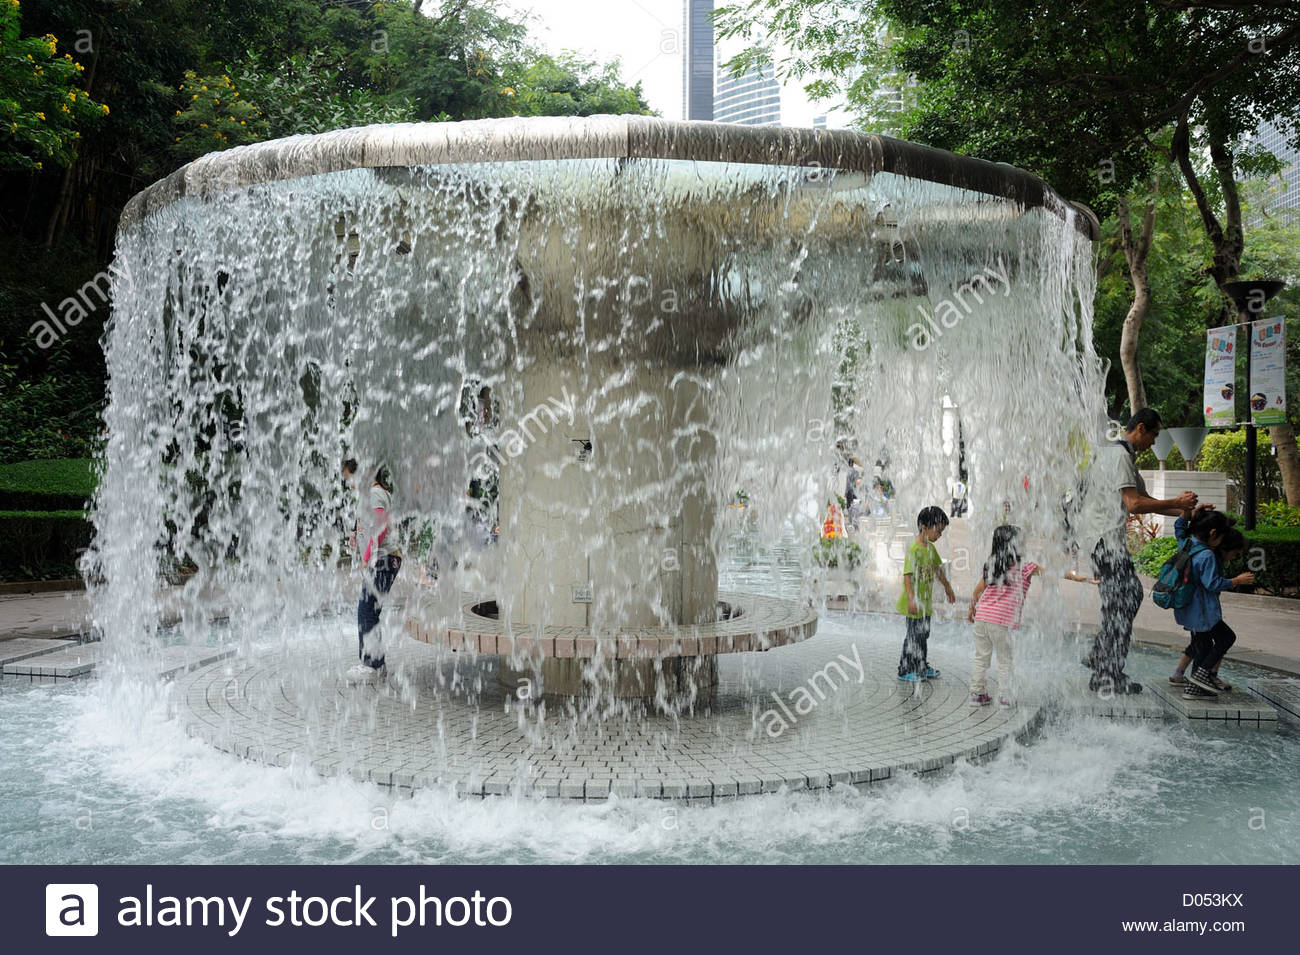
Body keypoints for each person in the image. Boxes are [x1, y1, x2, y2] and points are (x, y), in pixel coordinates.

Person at [1084, 409, 1197, 695]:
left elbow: (1147, 501)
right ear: (1142, 429)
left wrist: (1187, 512)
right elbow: (1134, 505)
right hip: (1103, 540)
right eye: (1155, 435)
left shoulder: (1121, 455)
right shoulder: (1120, 456)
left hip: (1103, 540)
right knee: (1127, 596)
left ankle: (1100, 658)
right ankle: (1106, 672)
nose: (1154, 441)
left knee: (1119, 599)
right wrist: (1177, 501)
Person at [1165, 506, 1254, 700]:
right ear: (1213, 533)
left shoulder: (1187, 544)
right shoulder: (1207, 555)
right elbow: (1212, 584)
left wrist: (1187, 513)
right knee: (1226, 638)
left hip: (1187, 608)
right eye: (1222, 536)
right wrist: (1236, 581)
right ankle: (1201, 678)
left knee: (1202, 646)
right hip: (1202, 611)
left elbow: (1179, 528)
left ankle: (1195, 688)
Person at [343, 458, 403, 686]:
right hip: (382, 559)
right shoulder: (371, 495)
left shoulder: (376, 493)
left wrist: (367, 557)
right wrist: (355, 535)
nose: (351, 485)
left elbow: (380, 526)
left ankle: (371, 665)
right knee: (369, 611)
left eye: (352, 479)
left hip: (384, 559)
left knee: (366, 611)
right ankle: (377, 664)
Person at [967, 525, 1041, 708]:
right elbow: (1052, 572)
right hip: (1000, 622)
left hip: (982, 617)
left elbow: (978, 591)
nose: (1024, 544)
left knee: (981, 657)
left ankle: (977, 694)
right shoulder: (1024, 567)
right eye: (1021, 541)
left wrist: (971, 609)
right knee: (1005, 659)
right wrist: (1078, 578)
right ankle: (1005, 697)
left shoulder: (992, 566)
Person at [896, 505, 956, 682]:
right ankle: (905, 669)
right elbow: (907, 576)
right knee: (913, 636)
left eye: (941, 531)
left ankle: (921, 664)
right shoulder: (914, 549)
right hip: (913, 604)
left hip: (925, 604)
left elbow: (938, 569)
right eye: (938, 531)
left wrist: (947, 587)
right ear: (924, 528)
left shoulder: (930, 549)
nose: (940, 535)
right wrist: (911, 599)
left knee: (923, 635)